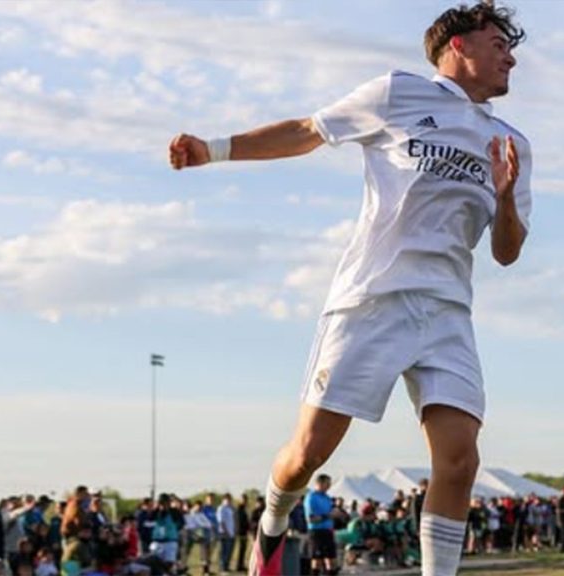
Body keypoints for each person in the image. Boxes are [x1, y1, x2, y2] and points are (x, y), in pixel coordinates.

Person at [167, 3, 529, 576]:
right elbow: (309, 132)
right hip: (372, 299)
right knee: (306, 454)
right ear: (458, 46)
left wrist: (506, 196)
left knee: (459, 463)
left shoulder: (510, 143)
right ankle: (274, 519)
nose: (510, 56)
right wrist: (213, 148)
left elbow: (507, 251)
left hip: (448, 314)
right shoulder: (397, 94)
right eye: (497, 43)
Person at [303, 476, 336, 576]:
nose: (329, 486)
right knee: (317, 560)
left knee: (331, 559)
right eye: (327, 483)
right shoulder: (311, 497)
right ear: (320, 483)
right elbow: (311, 519)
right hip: (316, 532)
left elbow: (331, 514)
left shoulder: (327, 498)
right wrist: (328, 516)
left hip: (328, 531)